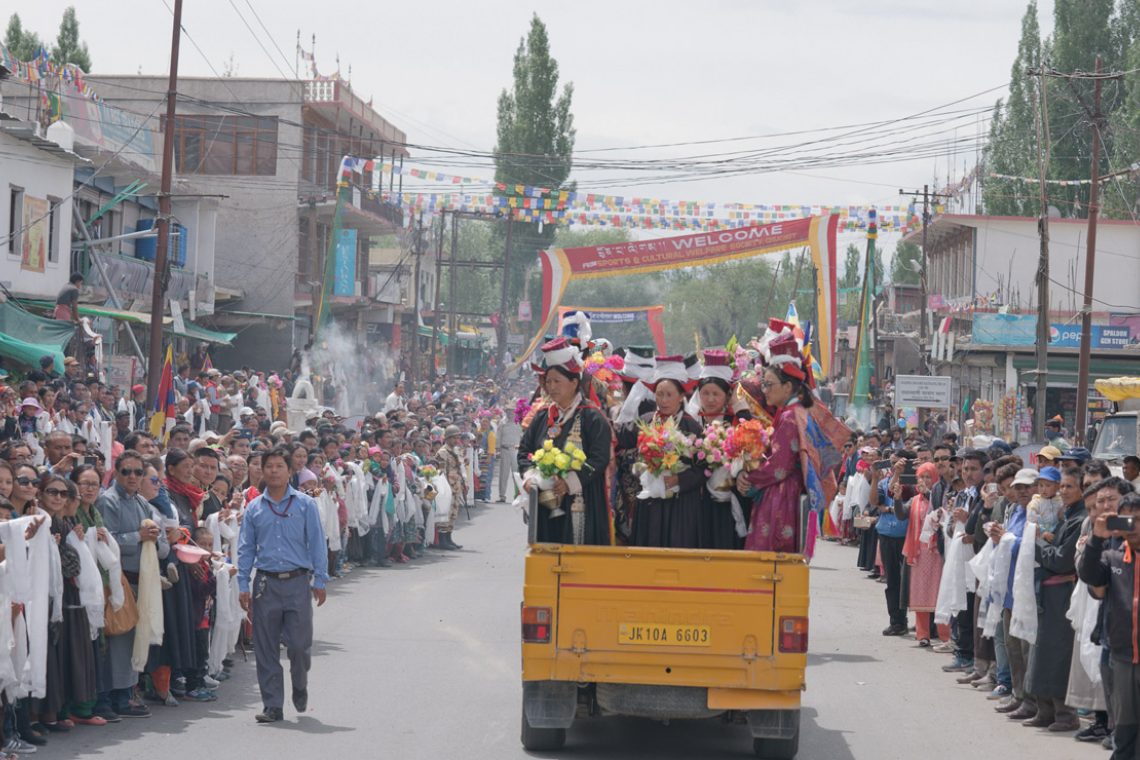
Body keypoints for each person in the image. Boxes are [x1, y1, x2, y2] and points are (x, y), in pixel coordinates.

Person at [237, 446, 329, 724]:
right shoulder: (254, 507)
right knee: (265, 647)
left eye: (280, 466)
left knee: (299, 646)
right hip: (266, 584)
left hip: (298, 582)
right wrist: (243, 583)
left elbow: (316, 543)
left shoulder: (305, 504)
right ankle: (272, 705)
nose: (274, 471)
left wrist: (320, 579)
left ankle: (299, 683)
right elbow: (245, 549)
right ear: (262, 471)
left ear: (290, 471)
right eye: (269, 466)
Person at [521, 338, 613, 546]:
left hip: (582, 500)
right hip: (545, 501)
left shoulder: (592, 417)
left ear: (574, 382)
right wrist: (530, 478)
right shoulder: (542, 416)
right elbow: (524, 451)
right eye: (548, 381)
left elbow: (599, 459)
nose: (551, 387)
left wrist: (569, 482)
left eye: (557, 381)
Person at [1021, 466, 1085, 732]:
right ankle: (1045, 709)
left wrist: (1037, 542)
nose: (1064, 491)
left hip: (1061, 593)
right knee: (1042, 651)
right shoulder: (1066, 515)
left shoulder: (1079, 519)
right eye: (1063, 486)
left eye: (1070, 486)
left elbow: (1061, 561)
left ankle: (1065, 714)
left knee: (1057, 653)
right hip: (1048, 591)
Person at [1078, 488, 1140, 756]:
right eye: (1127, 520)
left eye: (1139, 518)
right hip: (1124, 658)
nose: (1134, 526)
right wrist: (1096, 538)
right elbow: (1089, 574)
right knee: (1125, 731)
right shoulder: (1111, 556)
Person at [624, 356, 704, 548]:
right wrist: (640, 469)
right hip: (650, 501)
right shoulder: (646, 421)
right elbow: (631, 455)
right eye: (660, 394)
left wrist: (678, 479)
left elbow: (702, 470)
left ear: (681, 396)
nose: (664, 400)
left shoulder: (691, 426)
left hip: (680, 505)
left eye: (669, 395)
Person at [900, 461, 946, 647]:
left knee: (939, 593)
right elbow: (901, 514)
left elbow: (941, 515)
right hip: (918, 552)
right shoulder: (915, 500)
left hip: (936, 552)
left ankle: (945, 635)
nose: (925, 481)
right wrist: (896, 498)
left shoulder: (940, 497)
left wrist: (929, 495)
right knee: (920, 593)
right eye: (922, 477)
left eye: (929, 477)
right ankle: (922, 635)